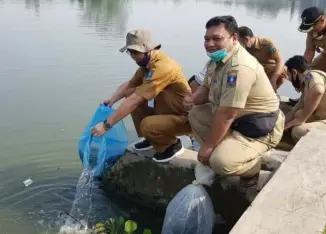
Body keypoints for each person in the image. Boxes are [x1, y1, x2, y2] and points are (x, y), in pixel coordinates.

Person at [185, 15, 285, 186]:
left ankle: (252, 168)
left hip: (258, 127)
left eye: (217, 38)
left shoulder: (239, 67)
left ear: (234, 38)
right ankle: (225, 150)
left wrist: (207, 147)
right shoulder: (216, 60)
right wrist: (192, 99)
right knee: (195, 113)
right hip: (236, 121)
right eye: (207, 39)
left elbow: (226, 115)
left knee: (220, 163)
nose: (209, 44)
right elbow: (205, 89)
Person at [91, 29, 192, 162]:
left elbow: (135, 100)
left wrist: (106, 125)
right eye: (130, 51)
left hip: (184, 118)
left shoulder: (163, 67)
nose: (132, 56)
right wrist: (112, 99)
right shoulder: (146, 64)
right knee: (130, 92)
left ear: (148, 49)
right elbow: (130, 85)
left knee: (146, 124)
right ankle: (151, 138)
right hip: (168, 110)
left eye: (135, 52)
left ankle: (172, 144)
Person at [284, 55, 326, 142]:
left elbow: (318, 91)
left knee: (298, 131)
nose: (289, 79)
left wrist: (302, 119)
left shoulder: (312, 75)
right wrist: (280, 125)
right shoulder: (306, 85)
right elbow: (295, 111)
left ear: (294, 72)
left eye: (288, 75)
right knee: (298, 113)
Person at [237, 26, 287, 91]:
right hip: (256, 71)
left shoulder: (267, 44)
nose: (238, 44)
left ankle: (272, 92)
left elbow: (280, 61)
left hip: (269, 71)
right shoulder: (243, 48)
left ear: (246, 40)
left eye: (239, 41)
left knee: (281, 71)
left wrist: (273, 80)